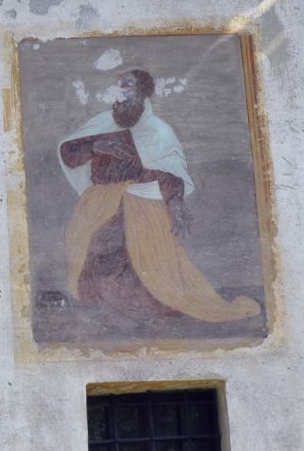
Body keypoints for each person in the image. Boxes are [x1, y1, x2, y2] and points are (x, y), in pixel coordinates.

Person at [58, 69, 260, 324]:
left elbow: (172, 171)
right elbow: (69, 153)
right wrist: (94, 146)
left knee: (150, 274)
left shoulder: (159, 131)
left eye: (127, 89)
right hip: (100, 205)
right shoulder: (103, 123)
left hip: (143, 207)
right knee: (96, 257)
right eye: (118, 89)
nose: (119, 96)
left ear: (143, 94)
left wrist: (175, 202)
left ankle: (146, 307)